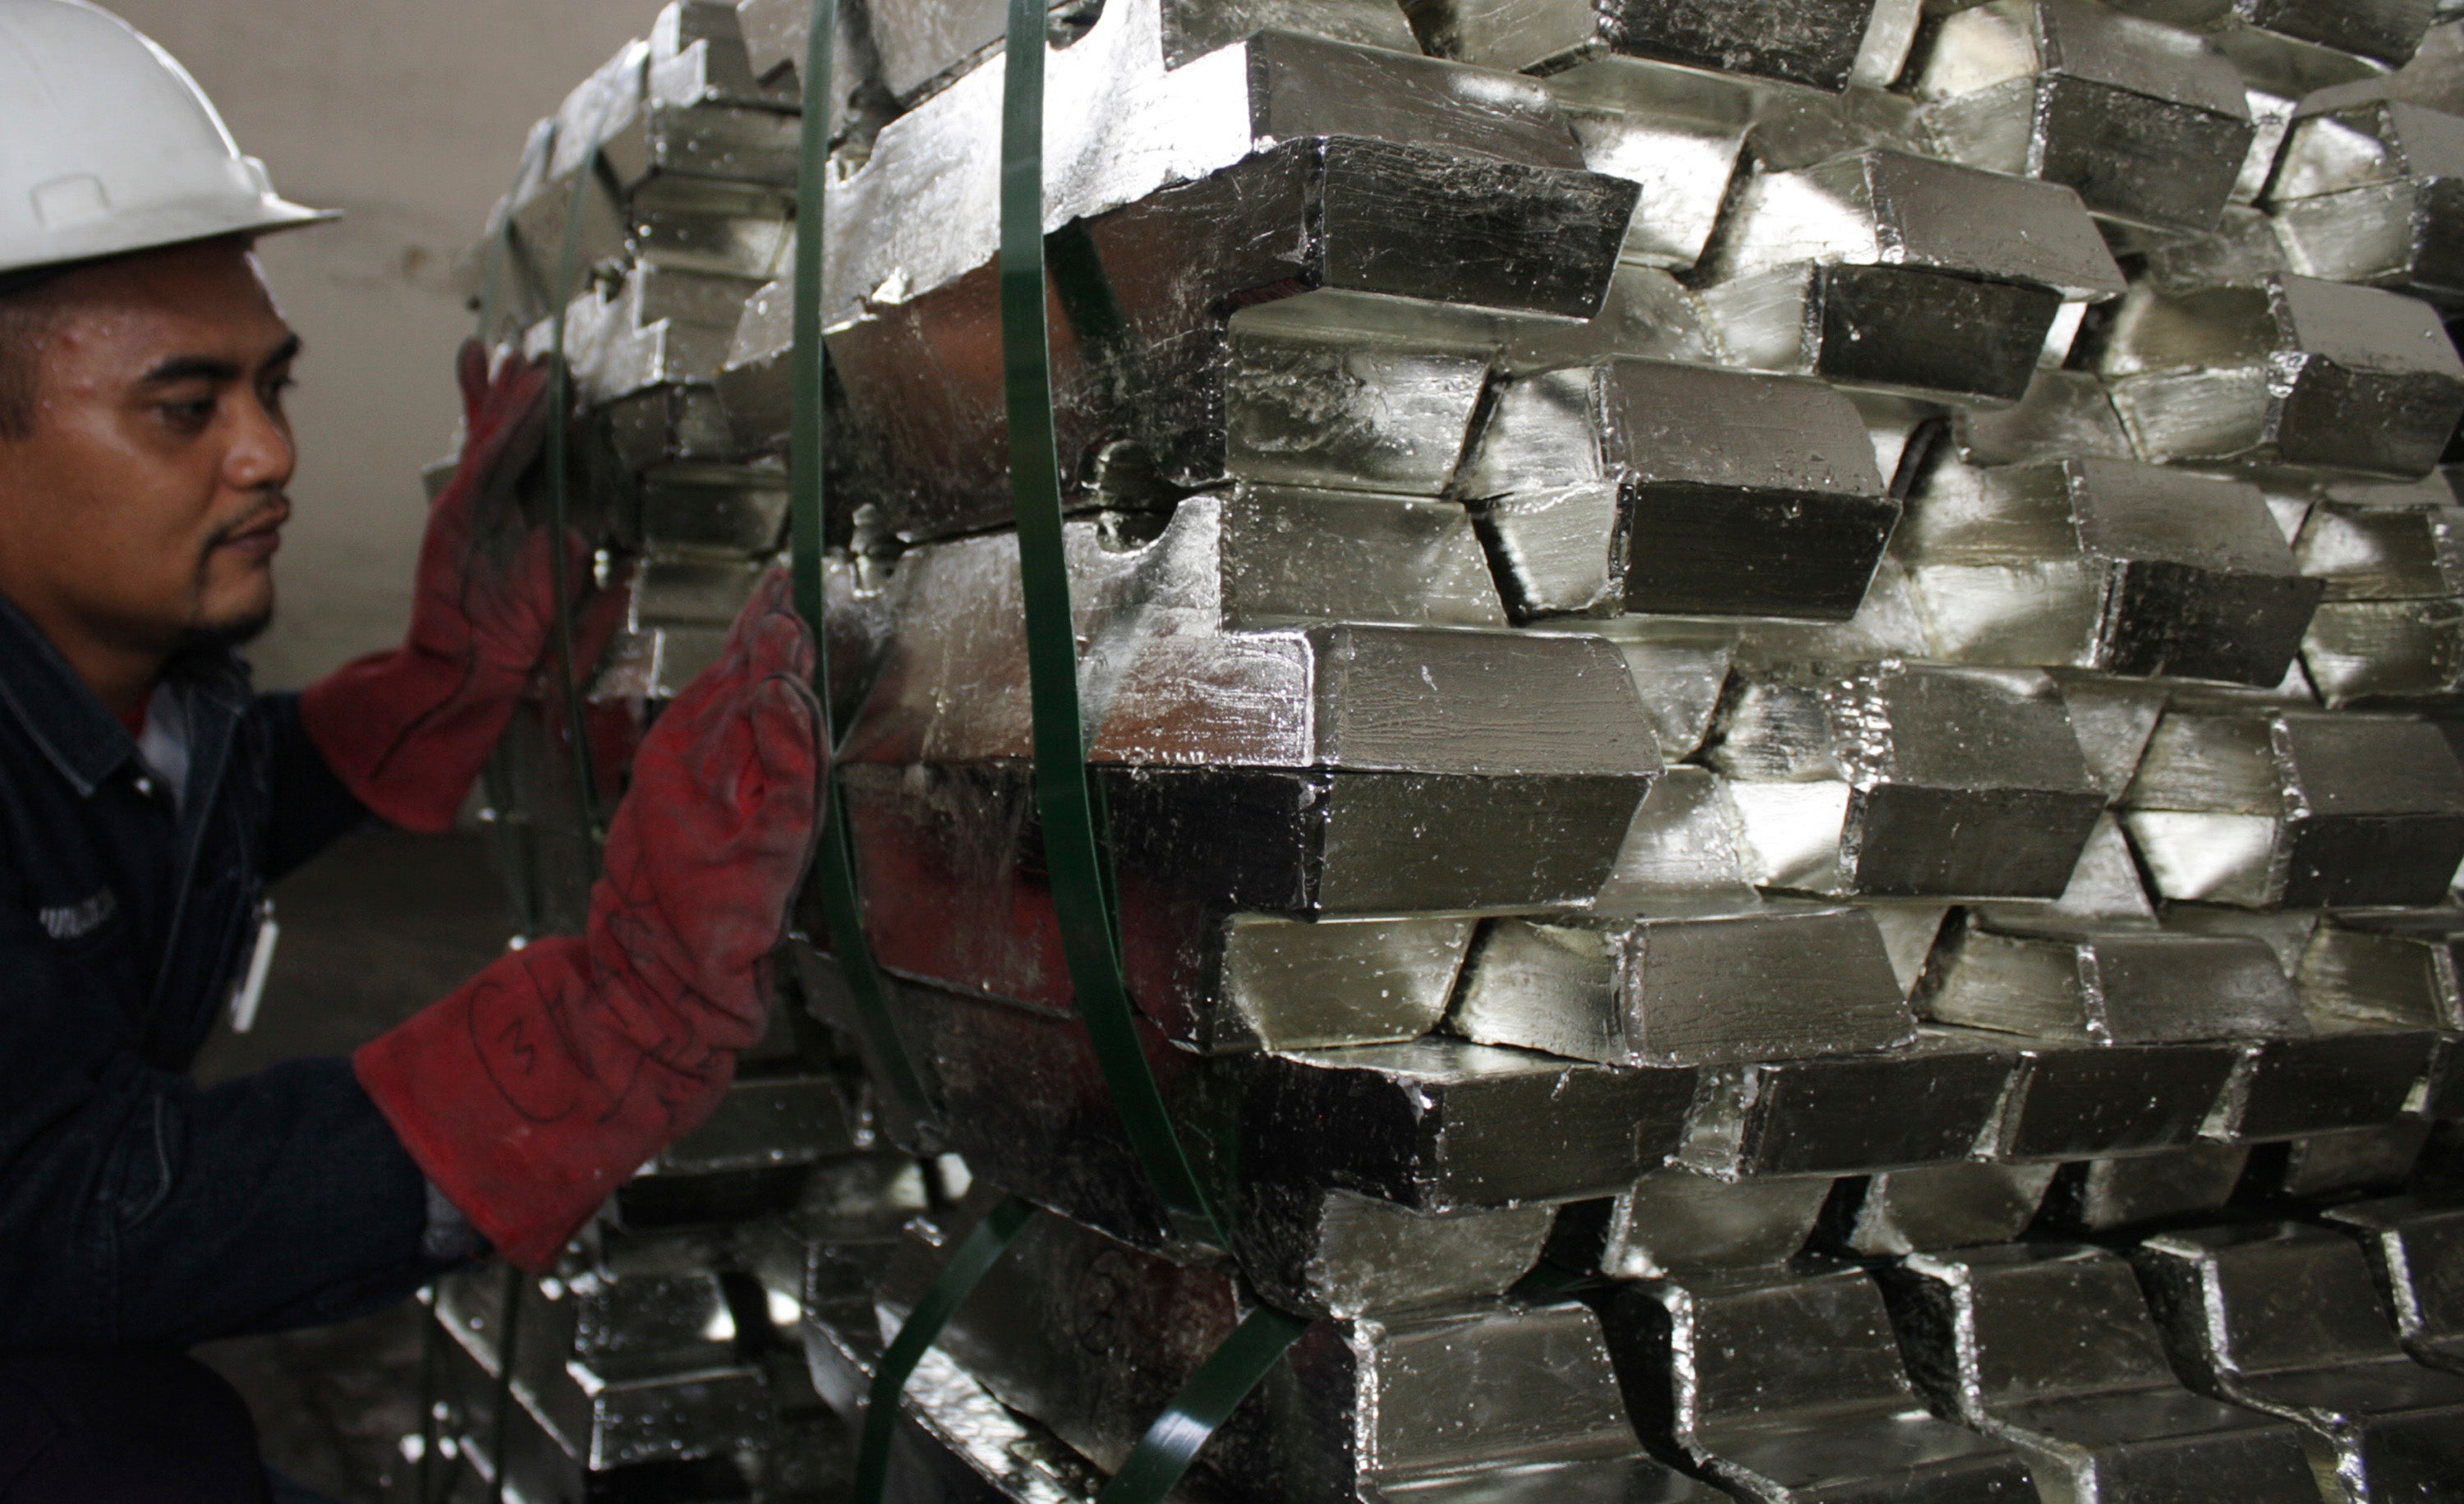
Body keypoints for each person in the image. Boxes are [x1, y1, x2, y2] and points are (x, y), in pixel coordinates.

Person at [0, 2, 825, 1498]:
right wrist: (604, 1023)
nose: (267, 454)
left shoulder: (130, 690)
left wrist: (429, 691)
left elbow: (157, 815)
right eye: (184, 408)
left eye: (272, 385)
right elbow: (59, 1211)